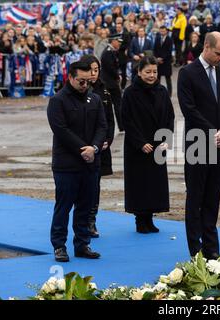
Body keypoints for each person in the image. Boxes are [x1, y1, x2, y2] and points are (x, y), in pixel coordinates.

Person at [177, 32, 220, 263]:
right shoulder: (187, 73)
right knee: (195, 198)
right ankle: (196, 251)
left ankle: (212, 249)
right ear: (206, 46)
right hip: (197, 144)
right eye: (218, 53)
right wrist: (213, 130)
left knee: (213, 198)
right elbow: (189, 109)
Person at [47, 60, 108, 262]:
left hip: (91, 163)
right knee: (64, 206)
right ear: (70, 78)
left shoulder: (95, 99)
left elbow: (102, 126)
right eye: (81, 81)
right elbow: (61, 130)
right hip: (67, 164)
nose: (85, 85)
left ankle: (82, 244)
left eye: (87, 81)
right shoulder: (58, 101)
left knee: (85, 205)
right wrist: (83, 149)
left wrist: (95, 148)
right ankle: (59, 245)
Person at [121, 56, 175, 234]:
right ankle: (140, 219)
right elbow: (126, 120)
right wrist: (140, 143)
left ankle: (150, 218)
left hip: (157, 146)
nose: (152, 75)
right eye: (148, 72)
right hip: (138, 147)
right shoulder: (130, 93)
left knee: (154, 184)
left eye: (154, 72)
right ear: (139, 72)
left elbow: (169, 116)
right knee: (139, 184)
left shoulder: (162, 91)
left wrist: (167, 138)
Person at [79, 55, 115, 239]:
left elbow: (109, 119)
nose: (93, 74)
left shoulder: (104, 91)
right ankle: (81, 220)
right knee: (81, 186)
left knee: (95, 185)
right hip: (81, 146)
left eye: (96, 70)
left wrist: (107, 139)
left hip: (100, 147)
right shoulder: (79, 88)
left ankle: (91, 221)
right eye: (90, 69)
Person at [101, 34, 124, 132]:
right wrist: (118, 76)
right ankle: (119, 126)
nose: (119, 43)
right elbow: (110, 68)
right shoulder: (108, 52)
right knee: (115, 105)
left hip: (111, 82)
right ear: (113, 41)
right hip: (110, 83)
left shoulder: (111, 52)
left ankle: (121, 126)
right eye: (117, 41)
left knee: (116, 105)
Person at [154, 26, 174, 97]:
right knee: (157, 78)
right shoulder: (157, 38)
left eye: (163, 31)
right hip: (158, 62)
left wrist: (162, 58)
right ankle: (157, 92)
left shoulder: (169, 39)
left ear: (166, 31)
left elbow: (169, 51)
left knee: (168, 78)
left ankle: (169, 94)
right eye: (161, 31)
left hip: (166, 62)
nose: (162, 32)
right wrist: (157, 58)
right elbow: (155, 49)